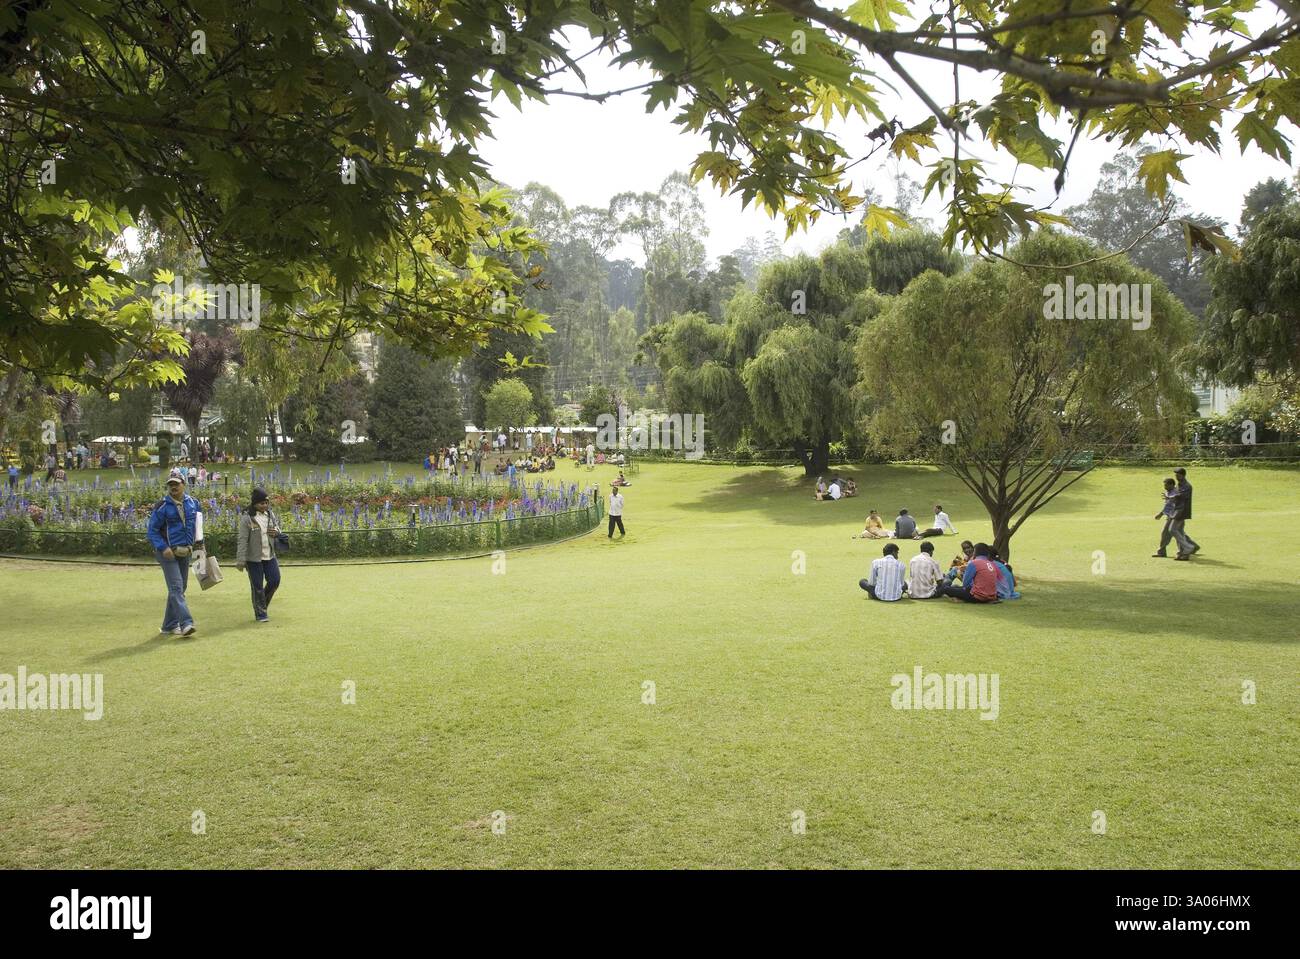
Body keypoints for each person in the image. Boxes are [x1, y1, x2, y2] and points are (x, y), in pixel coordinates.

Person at [146, 469, 204, 636]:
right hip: (167, 552)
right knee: (177, 587)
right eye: (170, 484)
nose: (173, 487)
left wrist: (200, 545)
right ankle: (186, 623)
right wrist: (163, 548)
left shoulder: (193, 503)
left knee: (179, 587)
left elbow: (198, 526)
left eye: (176, 484)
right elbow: (152, 531)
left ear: (183, 485)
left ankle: (169, 626)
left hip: (185, 551)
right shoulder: (162, 506)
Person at [235, 486, 282, 623]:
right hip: (253, 558)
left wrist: (277, 531)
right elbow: (242, 540)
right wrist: (240, 560)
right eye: (262, 503)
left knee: (275, 580)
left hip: (270, 555)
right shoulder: (247, 518)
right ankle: (261, 614)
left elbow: (277, 527)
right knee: (257, 586)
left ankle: (261, 605)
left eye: (267, 503)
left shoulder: (270, 515)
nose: (265, 505)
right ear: (255, 503)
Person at [1170, 467, 1200, 560]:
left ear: (1182, 475)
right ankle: (1182, 553)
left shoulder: (1187, 486)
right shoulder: (1180, 484)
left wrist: (1171, 497)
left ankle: (1188, 547)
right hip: (1177, 510)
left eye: (1178, 474)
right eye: (1175, 474)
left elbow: (1180, 496)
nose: (1176, 476)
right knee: (1180, 532)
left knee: (1172, 530)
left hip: (1181, 511)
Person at [1152, 477, 1179, 557]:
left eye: (1166, 485)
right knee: (1179, 534)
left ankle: (1162, 552)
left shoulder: (1175, 492)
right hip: (1171, 516)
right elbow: (1167, 504)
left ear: (1172, 485)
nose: (1165, 487)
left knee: (1165, 533)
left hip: (1174, 516)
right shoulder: (1169, 492)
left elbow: (1170, 504)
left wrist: (1160, 514)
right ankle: (1191, 547)